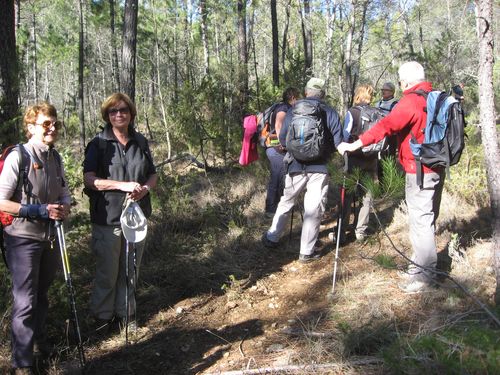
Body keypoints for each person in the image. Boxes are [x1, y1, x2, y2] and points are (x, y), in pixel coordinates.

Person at [337, 61, 445, 293]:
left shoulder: (411, 101)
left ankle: (425, 277)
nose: (399, 85)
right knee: (427, 218)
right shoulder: (435, 96)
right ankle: (420, 267)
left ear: (406, 81)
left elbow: (386, 126)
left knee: (421, 222)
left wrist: (356, 143)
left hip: (419, 170)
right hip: (437, 167)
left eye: (399, 81)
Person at [0, 103, 71, 374]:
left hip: (49, 237)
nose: (52, 127)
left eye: (55, 123)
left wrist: (64, 205)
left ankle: (38, 343)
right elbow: (1, 201)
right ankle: (22, 363)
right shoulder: (19, 157)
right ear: (31, 127)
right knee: (25, 300)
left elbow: (63, 191)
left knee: (41, 295)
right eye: (46, 124)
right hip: (22, 239)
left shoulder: (56, 157)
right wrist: (37, 210)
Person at [83, 93, 157, 332]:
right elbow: (89, 180)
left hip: (136, 216)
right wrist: (121, 185)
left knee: (131, 267)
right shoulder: (98, 144)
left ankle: (127, 313)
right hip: (108, 217)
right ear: (107, 115)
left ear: (131, 113)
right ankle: (103, 318)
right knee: (108, 270)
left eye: (123, 110)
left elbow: (152, 174)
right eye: (113, 111)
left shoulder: (140, 141)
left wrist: (144, 189)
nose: (118, 114)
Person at [261, 78, 343, 263]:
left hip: (295, 165)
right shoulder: (328, 111)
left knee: (286, 201)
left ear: (306, 92)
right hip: (320, 167)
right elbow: (339, 141)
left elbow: (282, 138)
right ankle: (306, 251)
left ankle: (272, 237)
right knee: (313, 208)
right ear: (322, 94)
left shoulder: (293, 110)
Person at [334, 84, 378, 242]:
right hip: (371, 159)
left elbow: (345, 135)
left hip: (353, 158)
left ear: (358, 95)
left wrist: (343, 147)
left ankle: (341, 231)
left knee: (346, 195)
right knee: (367, 195)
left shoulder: (352, 112)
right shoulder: (376, 112)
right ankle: (360, 231)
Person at [264, 87, 300, 218]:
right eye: (297, 97)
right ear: (293, 97)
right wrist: (284, 143)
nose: (298, 100)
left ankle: (278, 207)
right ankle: (270, 209)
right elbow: (279, 126)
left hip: (276, 149)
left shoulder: (282, 107)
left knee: (281, 178)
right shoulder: (283, 109)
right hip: (276, 149)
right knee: (276, 178)